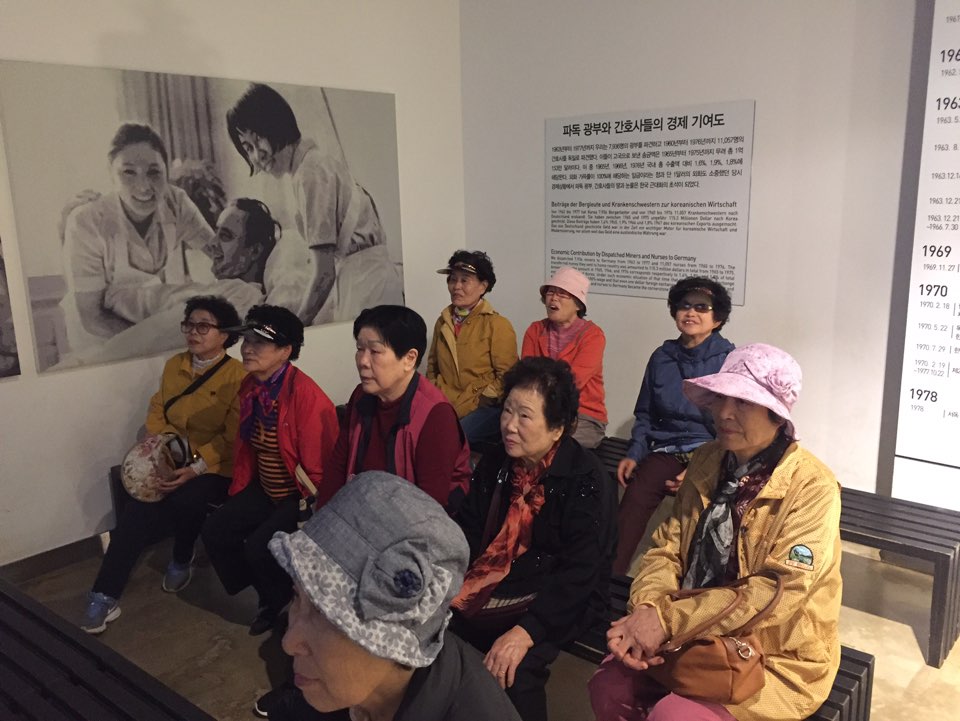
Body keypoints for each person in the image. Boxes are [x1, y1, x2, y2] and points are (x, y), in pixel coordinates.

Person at [590, 344, 842, 721]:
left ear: (776, 415)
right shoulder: (708, 458)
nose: (724, 413)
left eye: (743, 402)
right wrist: (647, 609)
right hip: (687, 630)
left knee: (675, 716)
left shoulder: (811, 486)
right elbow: (667, 548)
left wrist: (666, 621)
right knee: (608, 689)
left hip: (772, 653)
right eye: (721, 398)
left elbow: (777, 591)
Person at [261, 471, 521, 721]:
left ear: (393, 645)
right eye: (297, 597)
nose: (288, 642)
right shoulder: (319, 696)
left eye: (325, 613)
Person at [451, 356, 617, 721]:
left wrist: (527, 631)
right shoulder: (498, 461)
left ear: (557, 428)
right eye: (507, 410)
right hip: (503, 580)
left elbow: (582, 572)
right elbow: (468, 528)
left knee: (515, 667)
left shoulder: (586, 480)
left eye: (524, 416)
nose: (509, 425)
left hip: (565, 599)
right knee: (440, 629)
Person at [80, 296, 246, 634]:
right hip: (174, 452)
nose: (193, 332)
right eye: (189, 324)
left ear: (225, 334)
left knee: (189, 497)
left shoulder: (238, 377)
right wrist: (164, 447)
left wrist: (194, 467)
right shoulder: (175, 365)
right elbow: (158, 409)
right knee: (137, 505)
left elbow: (231, 437)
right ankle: (104, 594)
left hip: (216, 464)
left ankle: (182, 557)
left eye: (203, 326)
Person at [202, 304, 338, 635]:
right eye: (246, 340)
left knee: (259, 547)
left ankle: (280, 604)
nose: (247, 348)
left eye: (259, 342)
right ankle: (271, 595)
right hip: (265, 487)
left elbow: (321, 469)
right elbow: (246, 448)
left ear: (285, 350)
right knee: (216, 530)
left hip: (298, 494)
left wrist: (317, 516)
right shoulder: (252, 387)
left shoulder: (306, 396)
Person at [226, 83, 403, 325]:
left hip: (366, 286)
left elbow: (324, 273)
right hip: (365, 282)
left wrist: (296, 326)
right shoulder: (311, 165)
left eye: (259, 139)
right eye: (248, 147)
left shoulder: (310, 174)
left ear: (276, 125)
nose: (257, 155)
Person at [613, 276, 734, 575]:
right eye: (684, 305)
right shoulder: (661, 357)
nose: (691, 312)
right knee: (634, 498)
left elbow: (731, 423)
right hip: (667, 448)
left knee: (704, 509)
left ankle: (693, 588)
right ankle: (608, 579)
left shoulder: (728, 360)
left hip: (712, 450)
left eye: (701, 307)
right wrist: (634, 453)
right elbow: (645, 413)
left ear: (717, 319)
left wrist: (701, 466)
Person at [62, 123, 216, 348]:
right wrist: (153, 343)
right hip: (100, 337)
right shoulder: (87, 222)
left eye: (154, 172)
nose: (144, 187)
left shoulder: (177, 204)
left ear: (166, 171)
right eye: (129, 172)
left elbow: (221, 256)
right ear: (111, 174)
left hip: (144, 324)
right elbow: (92, 318)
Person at [326, 305, 471, 512]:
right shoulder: (361, 396)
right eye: (359, 349)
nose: (363, 361)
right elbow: (338, 466)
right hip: (362, 510)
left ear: (409, 359)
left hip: (412, 519)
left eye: (375, 351)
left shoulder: (436, 415)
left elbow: (429, 505)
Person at [426, 250, 518, 445]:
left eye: (465, 280)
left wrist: (483, 398)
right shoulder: (443, 322)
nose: (456, 286)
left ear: (483, 286)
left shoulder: (497, 325)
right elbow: (432, 367)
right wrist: (436, 391)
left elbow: (508, 375)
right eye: (453, 279)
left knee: (454, 438)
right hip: (445, 402)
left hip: (482, 407)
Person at [520, 266, 606, 449]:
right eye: (550, 292)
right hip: (536, 409)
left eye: (562, 294)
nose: (553, 298)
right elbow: (526, 375)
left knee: (549, 442)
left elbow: (572, 382)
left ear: (578, 304)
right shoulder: (535, 330)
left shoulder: (592, 336)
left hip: (582, 415)